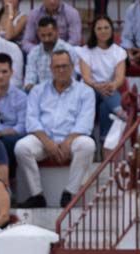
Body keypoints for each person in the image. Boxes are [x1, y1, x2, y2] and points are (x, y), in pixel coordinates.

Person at [16, 50, 95, 209]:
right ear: (51, 69)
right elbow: (31, 120)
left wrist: (68, 141)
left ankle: (70, 192)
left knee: (88, 145)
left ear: (72, 67)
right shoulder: (37, 90)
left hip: (72, 139)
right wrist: (47, 142)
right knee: (21, 147)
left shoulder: (85, 91)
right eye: (57, 67)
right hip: (43, 139)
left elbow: (85, 123)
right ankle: (37, 195)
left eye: (65, 66)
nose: (61, 70)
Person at [78, 15, 126, 140]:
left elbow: (120, 78)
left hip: (108, 88)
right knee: (95, 94)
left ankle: (104, 141)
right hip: (89, 88)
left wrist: (113, 85)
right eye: (99, 28)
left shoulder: (119, 51)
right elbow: (86, 77)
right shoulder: (86, 50)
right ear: (94, 31)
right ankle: (120, 111)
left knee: (105, 107)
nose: (103, 31)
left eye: (106, 28)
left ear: (111, 30)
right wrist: (97, 86)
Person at [24, 16, 75, 91]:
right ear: (38, 34)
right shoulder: (34, 52)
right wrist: (32, 89)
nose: (46, 39)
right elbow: (30, 78)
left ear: (57, 31)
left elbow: (72, 79)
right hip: (39, 93)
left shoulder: (69, 50)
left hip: (64, 91)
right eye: (43, 36)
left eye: (49, 35)